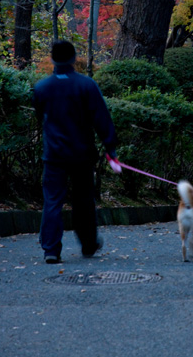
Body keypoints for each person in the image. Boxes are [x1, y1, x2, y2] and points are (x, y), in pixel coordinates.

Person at [33, 40, 121, 264]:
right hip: (82, 154)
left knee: (52, 200)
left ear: (52, 59)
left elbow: (39, 116)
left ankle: (51, 249)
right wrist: (110, 148)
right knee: (83, 201)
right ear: (73, 59)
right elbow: (101, 119)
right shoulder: (86, 85)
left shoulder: (42, 88)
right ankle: (88, 244)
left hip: (54, 155)